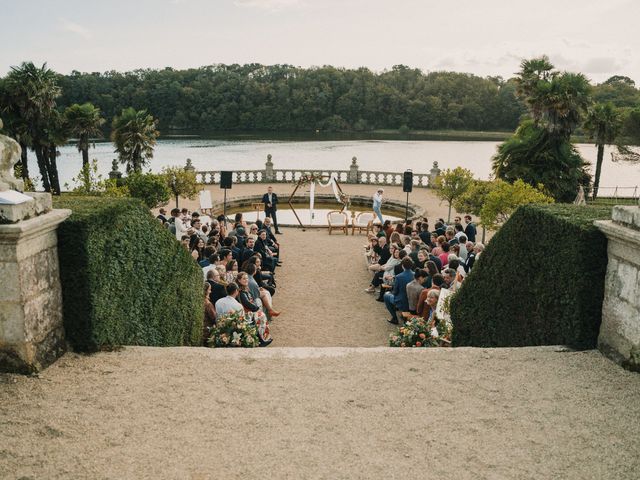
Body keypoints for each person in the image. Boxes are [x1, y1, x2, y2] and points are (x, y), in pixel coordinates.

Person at [236, 272, 273, 346]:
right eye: (244, 279)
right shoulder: (241, 291)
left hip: (249, 310)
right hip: (246, 312)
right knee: (261, 315)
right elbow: (247, 303)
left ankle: (263, 338)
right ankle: (261, 340)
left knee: (261, 314)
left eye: (246, 278)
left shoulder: (245, 288)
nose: (246, 280)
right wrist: (257, 309)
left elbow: (250, 299)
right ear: (239, 280)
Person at [383, 257, 415, 324]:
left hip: (402, 301)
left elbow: (395, 291)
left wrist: (392, 293)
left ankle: (394, 318)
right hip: (412, 301)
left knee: (386, 296)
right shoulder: (415, 275)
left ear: (402, 266)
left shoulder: (399, 276)